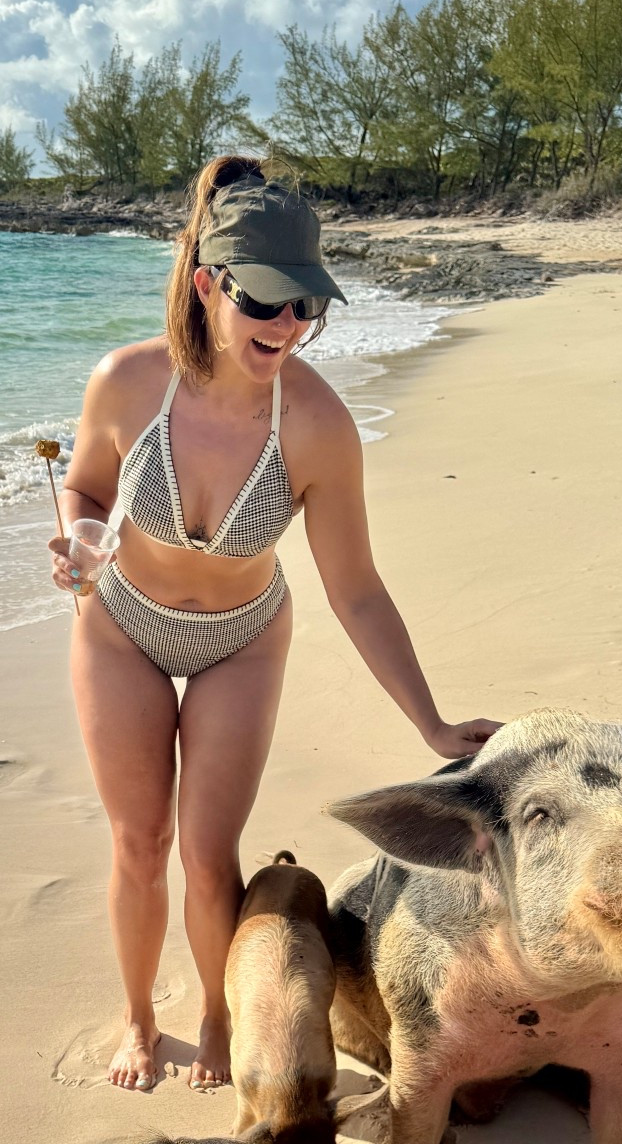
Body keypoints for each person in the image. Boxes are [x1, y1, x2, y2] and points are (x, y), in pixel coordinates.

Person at [51, 155, 499, 1094]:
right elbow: (86, 486)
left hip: (242, 641)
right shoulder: (129, 383)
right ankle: (139, 1018)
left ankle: (217, 1014)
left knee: (209, 854)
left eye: (309, 307)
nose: (289, 327)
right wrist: (84, 542)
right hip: (121, 624)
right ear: (211, 284)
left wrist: (428, 723)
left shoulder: (318, 426)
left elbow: (357, 589)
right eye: (266, 303)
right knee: (140, 842)